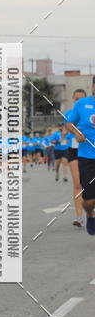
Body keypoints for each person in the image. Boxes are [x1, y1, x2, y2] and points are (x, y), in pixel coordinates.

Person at [64, 87, 90, 229]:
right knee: (77, 184)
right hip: (74, 151)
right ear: (73, 100)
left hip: (89, 152)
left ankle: (89, 211)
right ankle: (79, 217)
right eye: (76, 98)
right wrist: (74, 133)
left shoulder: (90, 111)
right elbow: (67, 128)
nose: (79, 100)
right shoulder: (69, 114)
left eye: (81, 98)